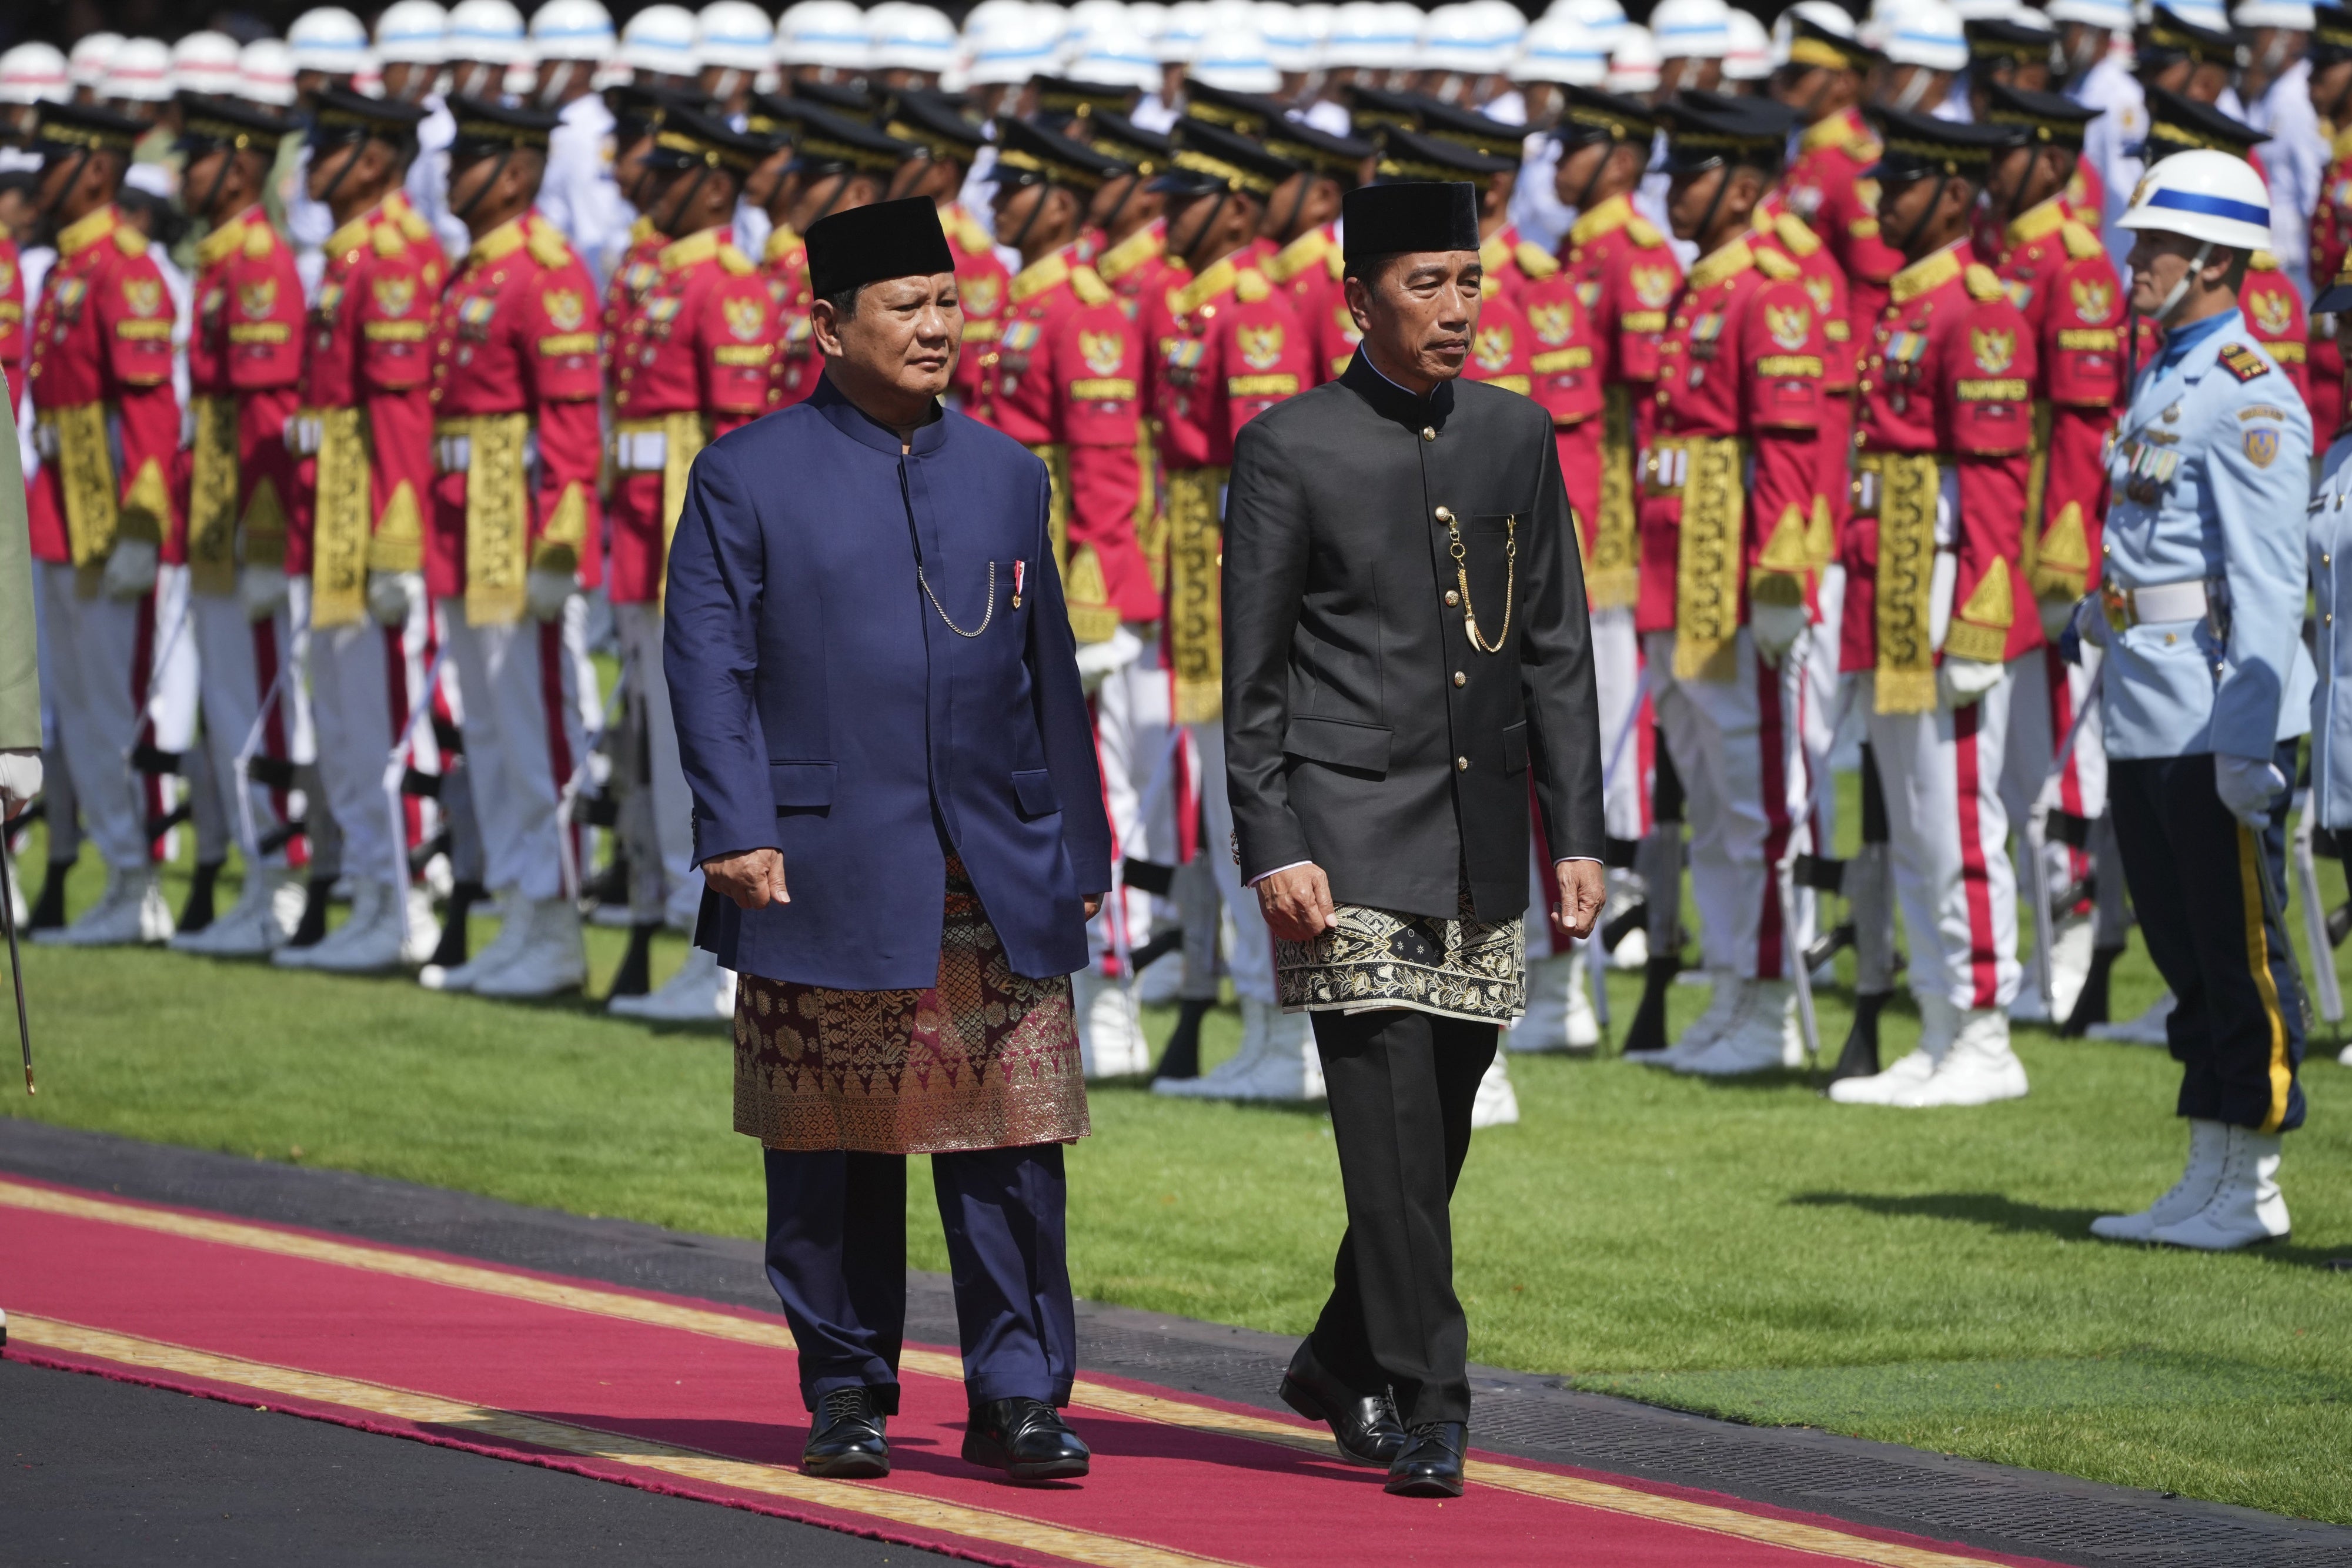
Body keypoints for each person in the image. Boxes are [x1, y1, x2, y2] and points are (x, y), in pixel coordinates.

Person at [665, 196, 1109, 1482]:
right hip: (819, 859)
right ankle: (846, 1388)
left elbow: (1048, 674)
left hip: (991, 863)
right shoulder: (744, 473)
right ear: (828, 326)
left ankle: (1018, 1398)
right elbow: (708, 663)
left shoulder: (1009, 472)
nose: (935, 327)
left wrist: (1077, 852)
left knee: (1011, 1145)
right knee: (830, 1146)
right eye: (905, 306)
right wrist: (736, 824)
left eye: (948, 302)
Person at [1223, 179, 1604, 1497]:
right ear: (1357, 298)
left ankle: (1339, 1356)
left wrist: (1577, 830)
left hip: (1481, 829)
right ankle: (1432, 1396)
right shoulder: (1288, 447)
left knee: (1432, 1138)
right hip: (1341, 833)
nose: (1454, 308)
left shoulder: (1515, 433)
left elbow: (1555, 645)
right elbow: (1253, 675)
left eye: (1467, 280)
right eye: (1423, 283)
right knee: (1385, 1130)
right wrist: (1271, 838)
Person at [2082, 151, 2313, 1250]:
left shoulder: (2247, 390)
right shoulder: (2168, 371)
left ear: (2215, 260)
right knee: (2182, 949)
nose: (2134, 259)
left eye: (2157, 244)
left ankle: (2255, 1178)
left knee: (2239, 951)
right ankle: (2209, 1165)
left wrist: (2248, 740)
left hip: (2212, 706)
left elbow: (2267, 581)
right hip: (2146, 696)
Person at [1827, 110, 2040, 1109]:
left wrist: (1982, 621)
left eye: (1902, 185)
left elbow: (1996, 481)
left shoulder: (1977, 310)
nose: (1881, 201)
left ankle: (1987, 1030)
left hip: (1947, 585)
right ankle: (1942, 1021)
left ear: (1955, 196)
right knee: (1912, 823)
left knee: (1957, 816)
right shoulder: (1909, 301)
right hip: (1895, 582)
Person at [1627, 93, 1829, 1076]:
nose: (1673, 191)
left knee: (1754, 801)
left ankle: (1770, 1002)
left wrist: (1781, 583)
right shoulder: (1700, 287)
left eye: (1693, 175)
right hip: (1677, 573)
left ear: (1743, 189)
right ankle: (1731, 988)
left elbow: (1788, 452)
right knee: (1707, 800)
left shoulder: (1767, 293)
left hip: (1732, 577)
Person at [970, 115, 1159, 1075]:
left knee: (1101, 793)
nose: (998, 203)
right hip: (1012, 574)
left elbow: (1106, 472)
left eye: (1017, 188)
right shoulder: (1023, 302)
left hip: (1077, 592)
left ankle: (1119, 996)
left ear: (1058, 202)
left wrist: (1096, 596)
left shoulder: (1083, 310)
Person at [1141, 117, 1321, 1104]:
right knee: (1219, 811)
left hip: (1234, 572)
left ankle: (1287, 1035)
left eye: (1189, 200)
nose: (1165, 214)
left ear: (1238, 210)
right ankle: (1262, 1028)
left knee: (1251, 803)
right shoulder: (1202, 304)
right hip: (1195, 564)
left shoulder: (1253, 311)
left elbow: (1264, 473)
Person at [417, 96, 604, 998]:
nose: (452, 177)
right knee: (489, 732)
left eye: (470, 161)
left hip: (514, 520)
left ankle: (556, 921)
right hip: (465, 516)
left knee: (534, 732)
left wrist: (558, 545)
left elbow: (569, 424)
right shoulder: (476, 270)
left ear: (517, 172)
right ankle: (521, 913)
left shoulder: (544, 271)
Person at [603, 105, 781, 1021]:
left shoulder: (726, 285)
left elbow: (740, 440)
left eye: (671, 175)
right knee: (661, 751)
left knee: (707, 745)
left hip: (694, 542)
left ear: (714, 188)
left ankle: (720, 961)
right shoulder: (662, 276)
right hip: (641, 532)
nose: (650, 186)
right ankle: (688, 944)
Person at [275, 88, 446, 975]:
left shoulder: (391, 258)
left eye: (329, 149)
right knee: (342, 718)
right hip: (332, 509)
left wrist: (397, 543)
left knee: (383, 718)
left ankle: (406, 900)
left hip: (372, 513)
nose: (310, 165)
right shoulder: (348, 256)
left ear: (374, 161)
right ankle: (374, 891)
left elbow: (402, 413)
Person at [1980, 84, 2126, 1032]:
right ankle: (2043, 947)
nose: (1991, 170)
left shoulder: (2076, 266)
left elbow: (2081, 429)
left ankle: (2074, 950)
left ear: (2051, 159)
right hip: (2006, 536)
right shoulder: (2011, 256)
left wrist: (2062, 563)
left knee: (2064, 767)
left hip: (2048, 548)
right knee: (2015, 770)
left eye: (2007, 152)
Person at [22, 102, 182, 949]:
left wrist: (140, 528)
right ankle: (119, 873)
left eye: (54, 161)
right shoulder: (69, 265)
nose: (38, 177)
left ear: (93, 171)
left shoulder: (125, 267)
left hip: (106, 514)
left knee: (118, 707)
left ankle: (140, 879)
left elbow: (150, 411)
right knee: (78, 711)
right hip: (58, 506)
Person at [165, 95, 311, 960]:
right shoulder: (222, 259)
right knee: (228, 708)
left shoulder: (256, 263)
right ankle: (262, 880)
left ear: (240, 166)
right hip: (216, 513)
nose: (183, 175)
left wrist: (265, 541)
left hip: (251, 521)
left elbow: (267, 418)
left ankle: (283, 883)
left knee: (261, 708)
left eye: (198, 159)